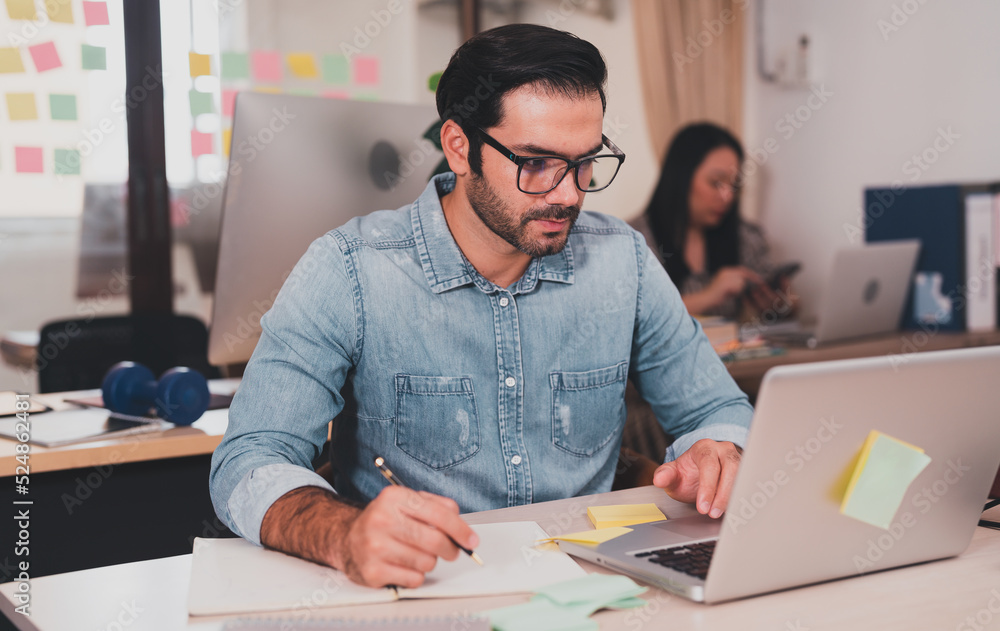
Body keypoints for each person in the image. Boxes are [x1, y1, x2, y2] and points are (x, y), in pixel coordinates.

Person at [210, 24, 753, 590]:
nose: (569, 193)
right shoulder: (349, 268)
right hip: (423, 590)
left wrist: (717, 448)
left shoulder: (624, 262)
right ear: (459, 146)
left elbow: (718, 410)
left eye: (585, 161)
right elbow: (248, 460)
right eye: (537, 162)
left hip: (591, 587)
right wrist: (342, 534)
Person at [632, 122, 794, 320]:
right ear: (681, 178)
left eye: (734, 185)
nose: (727, 196)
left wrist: (785, 306)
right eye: (715, 183)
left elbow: (786, 306)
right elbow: (633, 317)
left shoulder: (745, 237)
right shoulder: (634, 240)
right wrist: (709, 296)